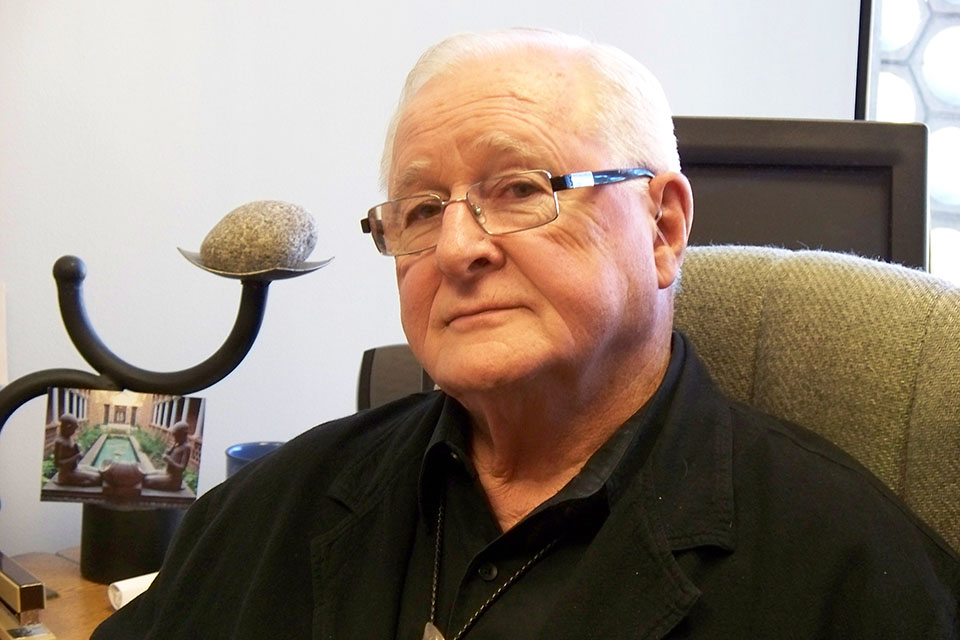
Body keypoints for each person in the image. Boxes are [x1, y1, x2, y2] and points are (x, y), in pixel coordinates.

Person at [93, 28, 959, 639]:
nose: (460, 247)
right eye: (423, 209)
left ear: (663, 229)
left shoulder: (852, 571)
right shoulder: (270, 509)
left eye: (519, 188)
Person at [52, 413, 101, 486]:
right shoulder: (60, 442)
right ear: (67, 427)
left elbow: (71, 453)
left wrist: (77, 449)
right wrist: (76, 457)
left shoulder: (68, 437)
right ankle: (70, 482)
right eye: (74, 429)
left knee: (99, 471)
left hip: (75, 468)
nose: (74, 431)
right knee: (98, 478)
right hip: (66, 474)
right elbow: (58, 463)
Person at [142, 421, 192, 492]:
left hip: (173, 479)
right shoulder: (177, 444)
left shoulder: (186, 447)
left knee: (147, 480)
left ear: (184, 434)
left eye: (177, 436)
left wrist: (169, 460)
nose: (175, 438)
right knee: (145, 474)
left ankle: (174, 486)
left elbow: (182, 468)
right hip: (167, 473)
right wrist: (168, 452)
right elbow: (169, 454)